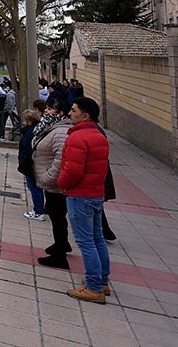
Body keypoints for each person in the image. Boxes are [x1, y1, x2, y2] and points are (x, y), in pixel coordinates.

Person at [58, 97, 111, 303]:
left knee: (85, 242)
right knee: (97, 239)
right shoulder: (99, 135)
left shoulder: (77, 138)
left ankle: (94, 287)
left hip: (80, 195)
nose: (70, 113)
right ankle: (102, 280)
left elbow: (72, 171)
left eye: (73, 110)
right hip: (96, 194)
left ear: (85, 115)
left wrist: (62, 183)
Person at [31, 99, 73, 270]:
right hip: (52, 183)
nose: (46, 112)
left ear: (61, 113)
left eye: (50, 109)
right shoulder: (52, 127)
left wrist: (46, 178)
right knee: (57, 218)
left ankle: (60, 255)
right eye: (46, 108)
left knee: (58, 217)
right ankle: (61, 245)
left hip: (56, 184)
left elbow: (61, 160)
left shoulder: (62, 131)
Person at [17, 104, 46, 221]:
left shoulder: (30, 133)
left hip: (31, 164)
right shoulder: (36, 129)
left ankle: (38, 211)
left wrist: (24, 162)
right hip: (34, 163)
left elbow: (27, 149)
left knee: (34, 187)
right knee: (36, 188)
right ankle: (40, 208)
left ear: (28, 121)